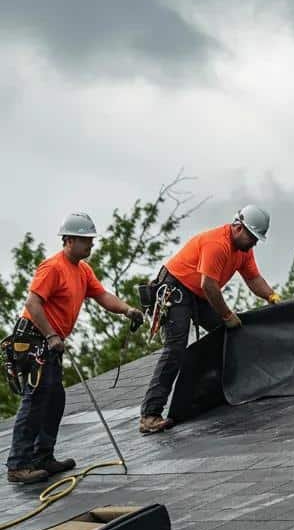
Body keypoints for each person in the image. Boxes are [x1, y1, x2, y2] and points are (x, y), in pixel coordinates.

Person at [5, 213, 143, 484]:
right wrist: (52, 335)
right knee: (34, 400)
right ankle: (18, 465)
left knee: (55, 399)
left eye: (91, 240)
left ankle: (42, 456)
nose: (90, 245)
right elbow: (34, 303)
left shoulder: (82, 270)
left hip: (49, 342)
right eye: (85, 240)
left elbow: (102, 295)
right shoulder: (53, 267)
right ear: (68, 240)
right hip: (34, 338)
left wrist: (127, 310)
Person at [139, 205, 279, 434]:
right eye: (252, 237)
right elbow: (209, 285)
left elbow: (253, 279)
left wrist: (271, 296)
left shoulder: (244, 250)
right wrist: (226, 315)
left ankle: (224, 390)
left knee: (227, 335)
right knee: (175, 348)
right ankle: (150, 414)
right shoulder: (217, 244)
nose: (254, 242)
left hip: (200, 294)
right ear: (237, 227)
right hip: (177, 290)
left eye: (256, 239)